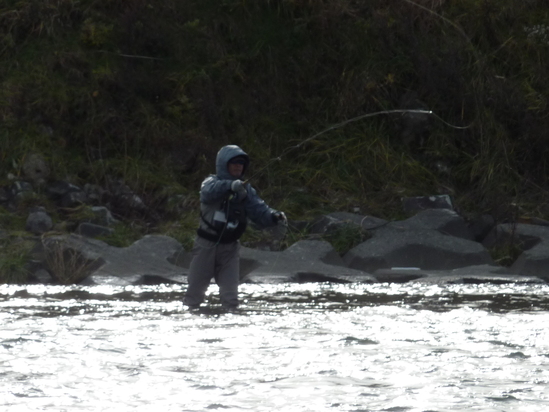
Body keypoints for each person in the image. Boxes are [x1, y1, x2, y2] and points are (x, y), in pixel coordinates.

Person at [183, 144, 287, 310]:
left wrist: (274, 216)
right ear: (224, 164)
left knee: (231, 299)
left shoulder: (246, 190)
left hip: (230, 250)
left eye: (241, 163)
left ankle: (230, 328)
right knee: (194, 297)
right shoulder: (210, 182)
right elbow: (208, 193)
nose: (239, 165)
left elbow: (259, 210)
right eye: (234, 162)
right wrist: (229, 186)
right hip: (206, 247)